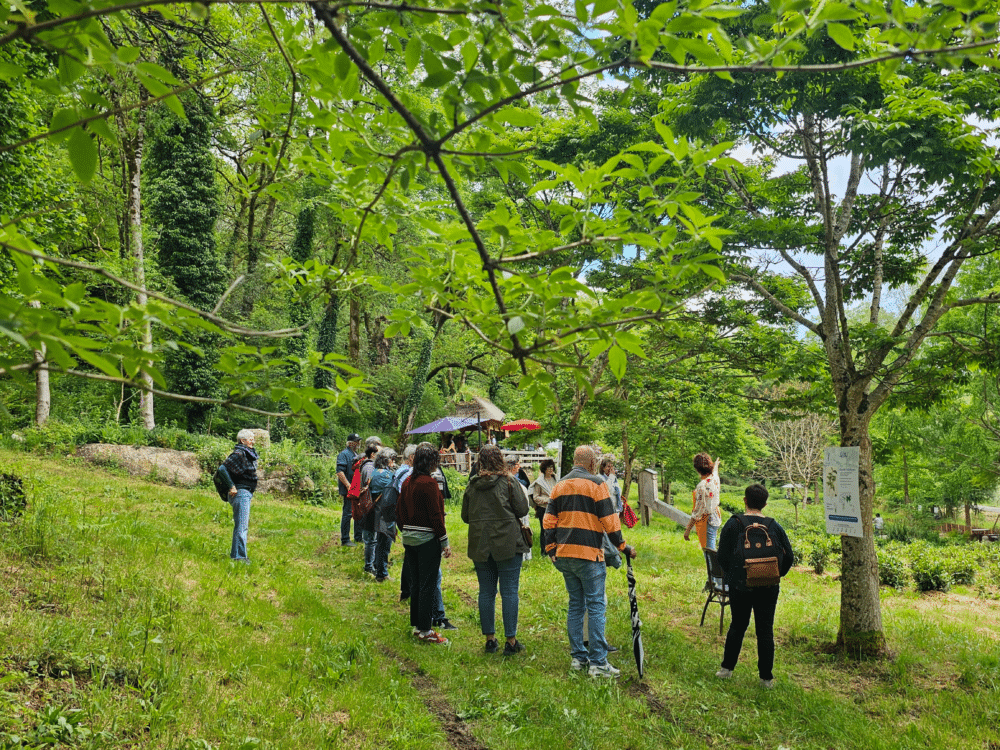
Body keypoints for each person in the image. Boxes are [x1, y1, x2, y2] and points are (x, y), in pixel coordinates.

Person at [544, 445, 636, 678]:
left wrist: (550, 548)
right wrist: (623, 547)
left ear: (575, 462)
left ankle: (578, 659)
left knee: (576, 604)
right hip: (588, 555)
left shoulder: (559, 486)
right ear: (592, 464)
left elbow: (549, 521)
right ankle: (598, 663)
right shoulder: (597, 484)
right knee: (595, 606)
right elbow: (610, 522)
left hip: (565, 555)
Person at [716, 484, 794, 688]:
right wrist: (776, 574)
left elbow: (722, 556)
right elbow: (789, 555)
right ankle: (766, 678)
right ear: (765, 504)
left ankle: (726, 669)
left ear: (745, 500)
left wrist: (734, 576)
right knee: (765, 630)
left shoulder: (733, 524)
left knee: (738, 625)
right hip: (768, 586)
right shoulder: (774, 526)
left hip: (740, 586)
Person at [462, 445, 529, 655]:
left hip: (480, 543)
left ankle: (490, 639)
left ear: (479, 462)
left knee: (486, 591)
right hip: (508, 543)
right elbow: (523, 508)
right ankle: (511, 641)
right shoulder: (509, 482)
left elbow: (465, 516)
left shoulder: (472, 486)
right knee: (509, 591)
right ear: (500, 460)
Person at [397, 442, 453, 644]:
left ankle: (417, 626)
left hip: (409, 539)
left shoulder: (407, 482)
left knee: (417, 583)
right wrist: (444, 541)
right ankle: (426, 629)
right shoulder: (428, 483)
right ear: (431, 462)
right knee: (428, 585)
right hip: (427, 539)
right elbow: (436, 515)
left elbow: (399, 511)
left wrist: (405, 529)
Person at [218, 429, 259, 562]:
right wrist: (231, 486)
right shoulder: (239, 453)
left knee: (241, 526)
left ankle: (238, 555)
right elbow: (222, 469)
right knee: (242, 527)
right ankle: (239, 557)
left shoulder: (247, 454)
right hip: (240, 493)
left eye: (253, 438)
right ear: (243, 441)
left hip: (245, 493)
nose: (253, 441)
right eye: (250, 439)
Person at [363, 449, 396, 578]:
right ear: (386, 460)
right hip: (385, 512)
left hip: (373, 511)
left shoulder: (374, 472)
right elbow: (393, 493)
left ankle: (376, 567)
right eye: (392, 459)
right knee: (384, 543)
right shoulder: (387, 475)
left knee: (375, 541)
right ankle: (382, 573)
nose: (394, 461)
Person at [684, 453, 722, 551]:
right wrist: (716, 464)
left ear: (697, 469)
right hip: (716, 516)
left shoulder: (702, 486)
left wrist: (688, 529)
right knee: (711, 544)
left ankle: (713, 566)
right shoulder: (714, 477)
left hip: (707, 520)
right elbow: (715, 470)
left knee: (709, 550)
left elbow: (698, 511)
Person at [505, 454, 532, 561]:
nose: (519, 467)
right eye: (518, 464)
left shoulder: (517, 482)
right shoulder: (506, 482)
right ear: (511, 466)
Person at [336, 434, 362, 547]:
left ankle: (358, 537)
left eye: (359, 441)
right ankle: (345, 539)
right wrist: (348, 485)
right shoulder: (343, 454)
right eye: (356, 441)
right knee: (347, 514)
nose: (358, 443)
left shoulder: (356, 455)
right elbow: (339, 472)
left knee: (358, 512)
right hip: (349, 490)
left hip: (357, 489)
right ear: (351, 443)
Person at [530, 459, 557, 556]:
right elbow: (536, 497)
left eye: (552, 467)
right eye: (548, 467)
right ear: (544, 469)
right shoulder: (539, 482)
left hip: (554, 509)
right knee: (544, 530)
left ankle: (553, 550)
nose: (550, 469)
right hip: (543, 509)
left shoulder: (555, 479)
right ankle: (544, 552)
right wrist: (547, 499)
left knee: (554, 529)